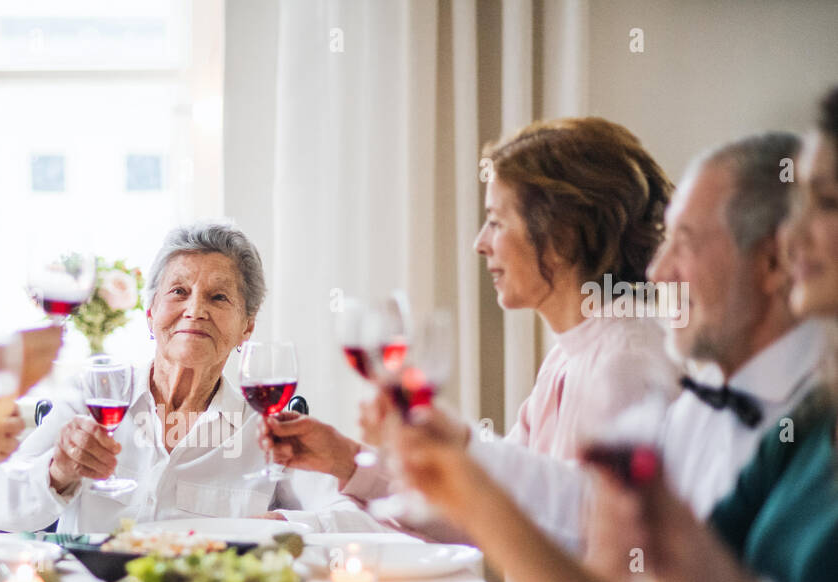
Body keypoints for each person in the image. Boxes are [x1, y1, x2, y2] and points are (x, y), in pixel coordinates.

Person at [389, 90, 838, 582]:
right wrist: (459, 474)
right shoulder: (765, 419)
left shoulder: (666, 368)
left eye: (823, 203)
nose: (655, 271)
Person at [265, 117, 677, 542]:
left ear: (564, 235)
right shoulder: (569, 353)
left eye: (497, 221)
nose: (480, 243)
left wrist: (459, 439)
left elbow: (596, 525)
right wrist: (347, 460)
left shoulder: (628, 360)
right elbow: (483, 509)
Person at [0, 220, 385, 534]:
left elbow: (364, 520)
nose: (195, 310)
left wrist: (287, 526)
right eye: (178, 292)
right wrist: (58, 471)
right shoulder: (93, 397)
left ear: (247, 328)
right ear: (150, 314)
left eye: (219, 297)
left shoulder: (267, 427)